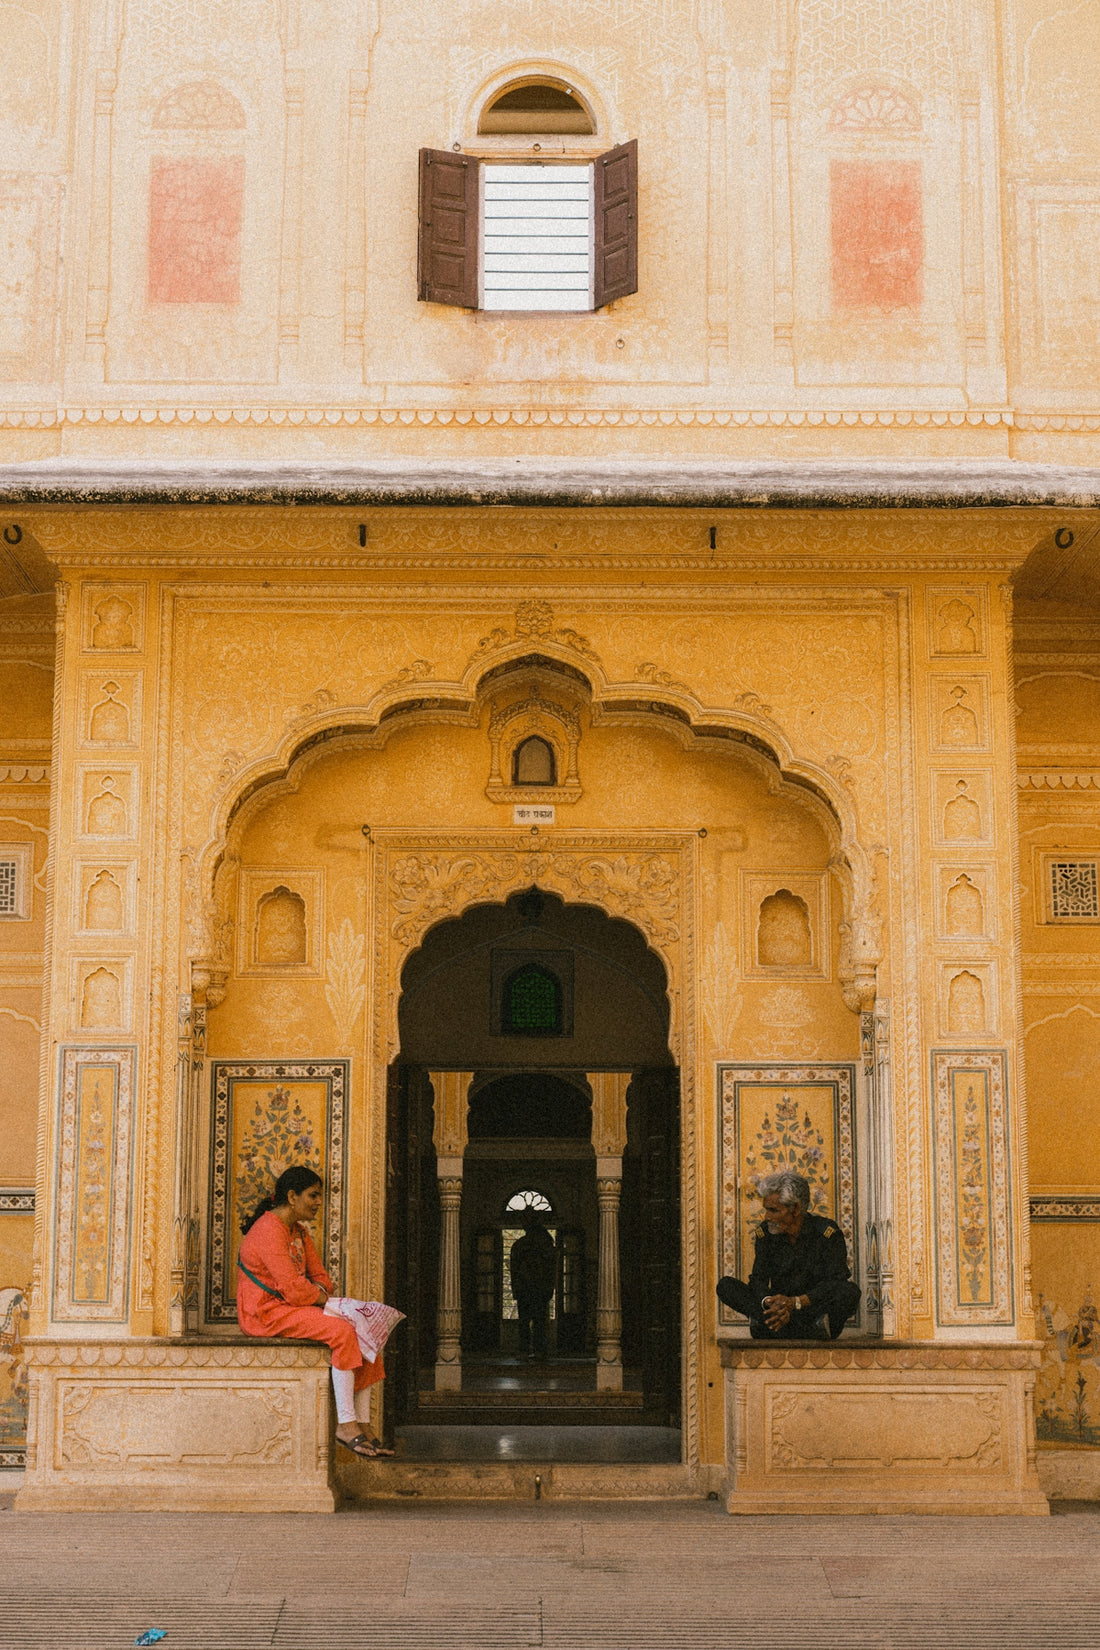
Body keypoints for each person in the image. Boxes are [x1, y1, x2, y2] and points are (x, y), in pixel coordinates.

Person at [236, 1164, 395, 1458]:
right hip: (264, 1313)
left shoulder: (298, 1231)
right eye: (313, 1195)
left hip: (290, 1307)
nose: (319, 1202)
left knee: (366, 1329)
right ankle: (346, 1425)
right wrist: (317, 1295)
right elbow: (295, 1290)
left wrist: (317, 1293)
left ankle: (362, 1421)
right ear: (292, 1196)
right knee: (343, 1331)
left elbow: (322, 1279)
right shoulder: (269, 1230)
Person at [716, 1168, 861, 1340]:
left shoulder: (826, 1233)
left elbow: (835, 1282)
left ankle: (774, 1325)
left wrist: (796, 1303)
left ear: (796, 1209)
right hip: (776, 1311)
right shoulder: (765, 1233)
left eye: (773, 1210)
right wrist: (769, 1302)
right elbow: (758, 1279)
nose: (767, 1217)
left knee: (850, 1291)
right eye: (766, 1210)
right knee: (725, 1286)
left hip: (811, 1311)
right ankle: (774, 1322)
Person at [508, 1212, 557, 1359]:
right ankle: (538, 1350)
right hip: (536, 1288)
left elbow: (515, 1268)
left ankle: (527, 1350)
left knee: (528, 1321)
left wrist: (517, 1287)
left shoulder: (520, 1245)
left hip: (529, 1288)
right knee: (537, 1321)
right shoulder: (542, 1243)